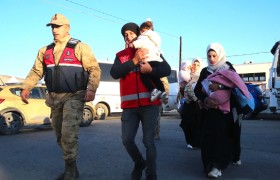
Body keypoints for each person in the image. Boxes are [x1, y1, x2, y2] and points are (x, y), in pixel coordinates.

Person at [20, 13, 101, 180]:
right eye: (52, 27)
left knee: (68, 134)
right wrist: (26, 87)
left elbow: (94, 69)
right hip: (54, 98)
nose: (54, 30)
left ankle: (70, 170)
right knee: (59, 135)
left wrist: (91, 89)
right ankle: (72, 166)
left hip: (74, 95)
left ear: (67, 28)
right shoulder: (45, 51)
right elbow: (36, 71)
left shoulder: (80, 47)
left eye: (58, 26)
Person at [110, 22, 171, 180]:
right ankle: (139, 162)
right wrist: (134, 61)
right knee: (127, 140)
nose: (128, 36)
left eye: (131, 33)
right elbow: (114, 73)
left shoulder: (150, 50)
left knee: (148, 141)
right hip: (129, 107)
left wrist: (152, 70)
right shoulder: (121, 55)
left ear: (138, 35)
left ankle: (151, 175)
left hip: (150, 105)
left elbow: (166, 69)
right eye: (125, 35)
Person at [194, 43, 243, 178]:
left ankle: (225, 161)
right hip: (210, 110)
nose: (211, 58)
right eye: (209, 56)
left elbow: (237, 85)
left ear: (220, 54)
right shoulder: (205, 71)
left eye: (214, 55)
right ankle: (211, 165)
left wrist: (219, 86)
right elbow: (197, 90)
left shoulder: (228, 67)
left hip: (227, 110)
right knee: (209, 137)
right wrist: (205, 100)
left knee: (227, 135)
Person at [128, 18, 166, 102]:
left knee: (144, 77)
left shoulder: (144, 37)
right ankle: (163, 92)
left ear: (142, 31)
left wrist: (131, 45)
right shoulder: (155, 38)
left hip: (148, 60)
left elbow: (139, 43)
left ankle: (153, 91)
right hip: (157, 59)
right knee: (156, 78)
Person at [179, 58, 203, 149]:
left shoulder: (201, 75)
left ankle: (196, 142)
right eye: (194, 64)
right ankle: (190, 141)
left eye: (197, 65)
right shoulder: (187, 75)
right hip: (189, 103)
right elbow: (183, 89)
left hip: (197, 102)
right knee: (187, 122)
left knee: (198, 123)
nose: (195, 67)